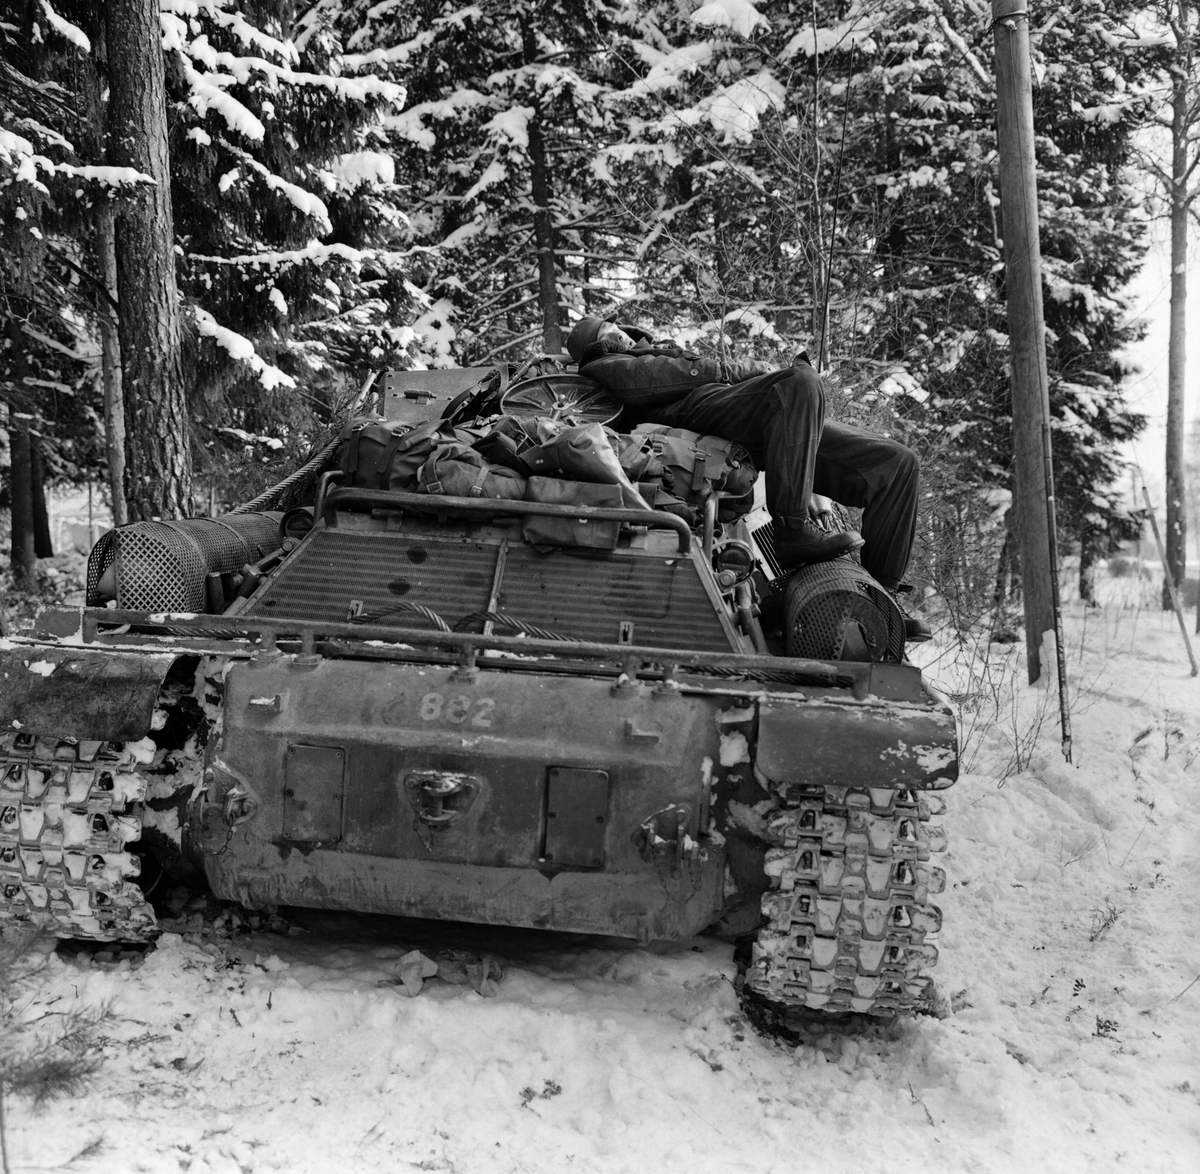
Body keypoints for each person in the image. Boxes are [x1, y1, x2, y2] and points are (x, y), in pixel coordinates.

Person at [566, 316, 927, 637]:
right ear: (601, 341)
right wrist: (739, 370)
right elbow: (652, 380)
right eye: (610, 330)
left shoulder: (655, 350)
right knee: (799, 382)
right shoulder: (604, 363)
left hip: (741, 414)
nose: (621, 333)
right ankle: (792, 530)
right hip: (693, 415)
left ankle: (882, 602)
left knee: (896, 464)